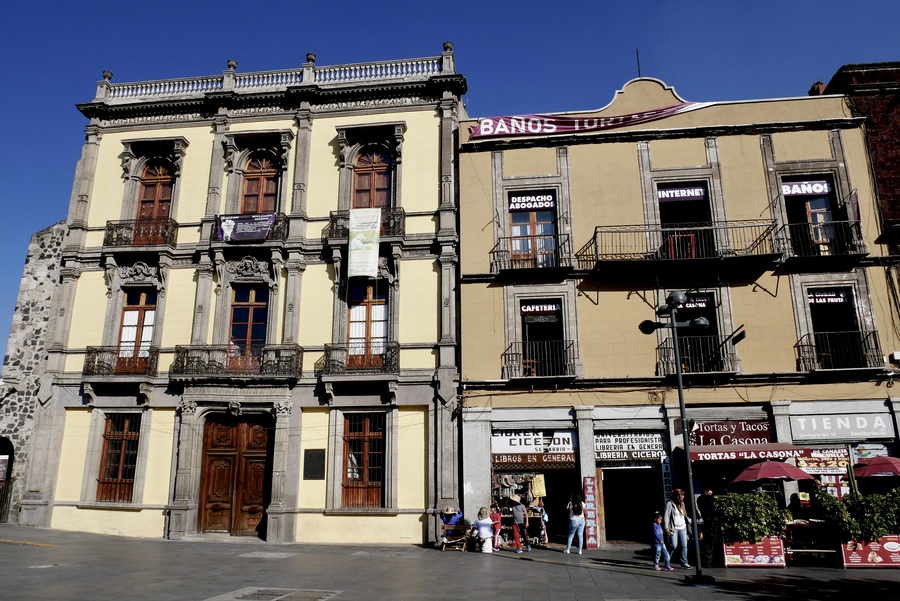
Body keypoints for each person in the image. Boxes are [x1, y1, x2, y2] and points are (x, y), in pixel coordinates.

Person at [664, 489, 692, 568]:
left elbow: (684, 516)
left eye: (683, 495)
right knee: (673, 545)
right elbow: (666, 516)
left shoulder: (682, 504)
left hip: (683, 527)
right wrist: (667, 529)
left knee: (684, 545)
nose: (683, 497)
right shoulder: (670, 504)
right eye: (681, 495)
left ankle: (684, 561)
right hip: (674, 528)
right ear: (677, 496)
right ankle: (667, 558)